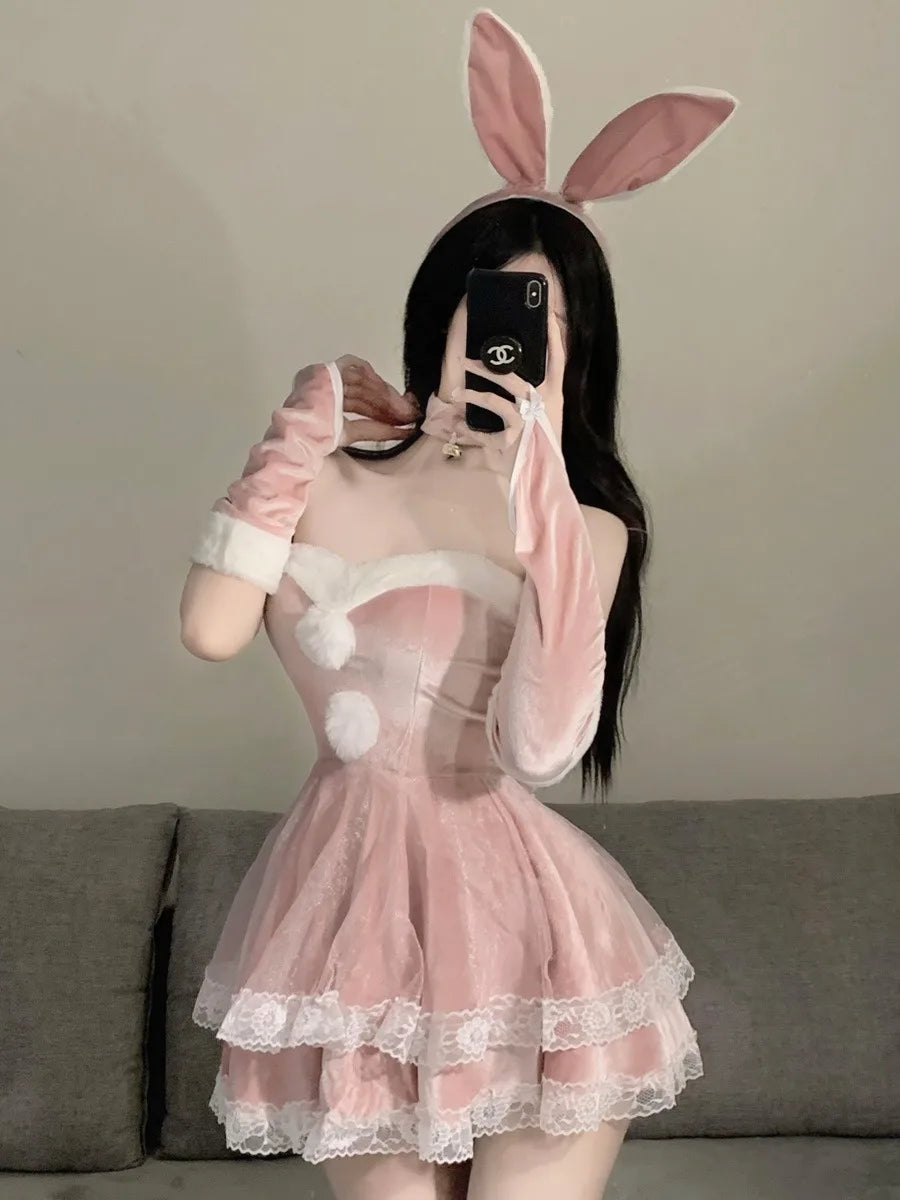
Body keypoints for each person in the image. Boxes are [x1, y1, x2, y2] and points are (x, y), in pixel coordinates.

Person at [179, 11, 738, 1198]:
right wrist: (289, 443)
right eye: (491, 309)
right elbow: (213, 630)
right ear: (441, 310)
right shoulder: (323, 473)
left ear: (579, 351)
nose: (509, 345)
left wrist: (544, 505)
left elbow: (541, 748)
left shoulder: (588, 526)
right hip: (349, 921)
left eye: (547, 324)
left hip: (531, 934)